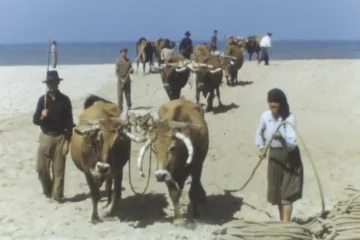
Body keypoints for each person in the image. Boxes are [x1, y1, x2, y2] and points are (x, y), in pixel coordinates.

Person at [255, 88, 304, 221]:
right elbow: (259, 133)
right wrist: (260, 148)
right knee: (276, 192)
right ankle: (282, 222)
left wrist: (281, 139)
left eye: (275, 102)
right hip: (274, 156)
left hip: (290, 157)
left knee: (287, 194)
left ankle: (285, 225)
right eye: (270, 102)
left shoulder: (289, 118)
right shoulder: (265, 116)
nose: (272, 105)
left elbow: (292, 143)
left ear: (281, 103)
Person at [32, 70, 74, 202]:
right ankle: (48, 191)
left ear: (58, 83)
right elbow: (35, 120)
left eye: (54, 82)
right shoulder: (42, 100)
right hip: (45, 136)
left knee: (59, 171)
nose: (51, 85)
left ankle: (57, 196)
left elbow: (69, 122)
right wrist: (42, 116)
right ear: (47, 84)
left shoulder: (65, 100)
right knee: (41, 169)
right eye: (49, 83)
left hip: (60, 137)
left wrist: (68, 141)